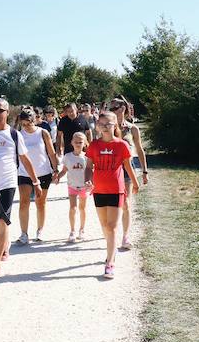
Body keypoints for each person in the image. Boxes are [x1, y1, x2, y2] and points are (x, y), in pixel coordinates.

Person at [0, 98, 40, 273]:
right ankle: (4, 242)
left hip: (7, 183)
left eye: (0, 110)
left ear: (7, 113)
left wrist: (35, 181)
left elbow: (25, 159)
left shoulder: (15, 135)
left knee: (1, 221)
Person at [85, 112, 140, 279]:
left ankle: (110, 263)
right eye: (101, 124)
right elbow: (88, 167)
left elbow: (128, 166)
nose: (104, 127)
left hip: (117, 189)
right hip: (98, 190)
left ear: (115, 125)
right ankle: (111, 249)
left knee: (112, 227)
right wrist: (87, 179)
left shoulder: (122, 145)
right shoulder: (93, 145)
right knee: (104, 226)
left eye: (108, 124)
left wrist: (135, 182)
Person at [110, 97, 149, 250]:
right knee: (112, 203)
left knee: (126, 203)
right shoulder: (108, 127)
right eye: (110, 108)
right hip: (110, 168)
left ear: (123, 109)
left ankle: (125, 237)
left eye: (114, 108)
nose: (111, 111)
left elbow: (139, 150)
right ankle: (110, 230)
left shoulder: (132, 129)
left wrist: (144, 171)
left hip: (127, 167)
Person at [16, 108, 57, 243]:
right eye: (24, 124)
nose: (26, 127)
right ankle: (24, 233)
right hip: (24, 173)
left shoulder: (43, 133)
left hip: (43, 172)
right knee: (24, 202)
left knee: (41, 203)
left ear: (34, 121)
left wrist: (55, 169)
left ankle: (40, 230)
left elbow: (51, 153)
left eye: (29, 123)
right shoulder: (17, 135)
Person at [54, 131, 89, 242]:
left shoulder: (87, 157)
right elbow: (64, 170)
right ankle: (72, 231)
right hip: (72, 186)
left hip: (83, 187)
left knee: (82, 208)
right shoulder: (68, 157)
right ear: (71, 143)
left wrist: (91, 182)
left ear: (85, 144)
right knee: (73, 208)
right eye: (76, 142)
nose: (78, 144)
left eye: (80, 142)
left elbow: (90, 171)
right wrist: (58, 177)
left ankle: (82, 230)